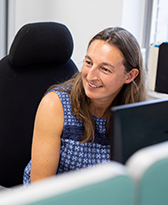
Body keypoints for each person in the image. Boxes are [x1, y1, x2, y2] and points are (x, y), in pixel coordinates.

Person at [23, 26, 148, 184]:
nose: (91, 75)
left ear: (130, 76)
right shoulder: (55, 105)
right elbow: (40, 189)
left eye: (105, 69)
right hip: (57, 201)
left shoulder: (137, 113)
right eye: (89, 62)